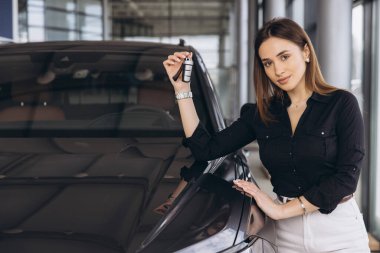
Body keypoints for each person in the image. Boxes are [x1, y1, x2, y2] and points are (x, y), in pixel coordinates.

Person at [162, 17, 370, 252]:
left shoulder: (341, 104)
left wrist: (280, 210)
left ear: (306, 52)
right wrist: (182, 90)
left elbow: (346, 177)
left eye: (284, 57)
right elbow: (206, 150)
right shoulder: (261, 113)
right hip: (283, 235)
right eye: (268, 63)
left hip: (338, 232)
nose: (277, 70)